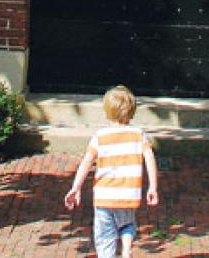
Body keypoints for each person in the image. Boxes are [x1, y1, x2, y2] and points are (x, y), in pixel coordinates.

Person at [64, 85, 159, 258]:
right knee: (127, 224)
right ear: (132, 111)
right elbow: (150, 159)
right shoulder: (138, 134)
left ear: (107, 111)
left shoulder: (100, 136)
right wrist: (152, 186)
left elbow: (86, 162)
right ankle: (127, 248)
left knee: (105, 237)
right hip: (129, 194)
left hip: (104, 196)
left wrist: (76, 187)